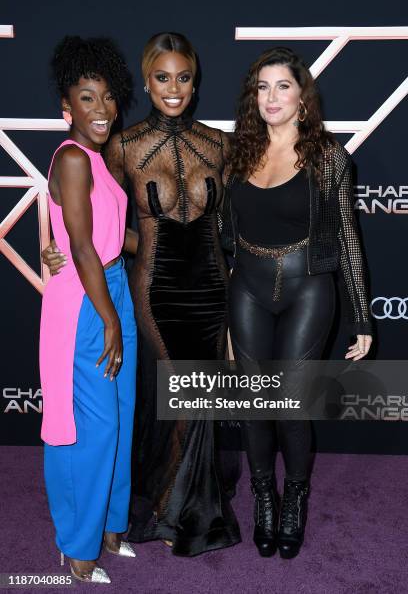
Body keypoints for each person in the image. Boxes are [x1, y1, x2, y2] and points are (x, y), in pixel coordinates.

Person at [43, 32, 241, 557]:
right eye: (161, 77)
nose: (173, 88)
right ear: (148, 82)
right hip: (149, 289)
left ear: (194, 84)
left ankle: (188, 509)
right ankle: (161, 510)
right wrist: (51, 243)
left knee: (189, 401)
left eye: (183, 77)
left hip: (208, 287)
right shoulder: (120, 147)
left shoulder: (221, 144)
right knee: (166, 401)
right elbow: (85, 218)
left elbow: (234, 225)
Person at [221, 47, 373, 559]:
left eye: (282, 85)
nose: (271, 97)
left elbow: (349, 238)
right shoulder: (237, 152)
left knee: (287, 405)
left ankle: (296, 498)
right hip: (247, 285)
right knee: (255, 406)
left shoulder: (328, 156)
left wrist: (362, 316)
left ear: (302, 95)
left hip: (309, 284)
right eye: (262, 87)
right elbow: (221, 234)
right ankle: (265, 496)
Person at [40, 36, 137, 584]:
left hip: (112, 285)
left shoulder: (99, 160)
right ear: (66, 108)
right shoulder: (73, 157)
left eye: (106, 98)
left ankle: (110, 526)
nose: (100, 110)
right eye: (86, 98)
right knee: (90, 426)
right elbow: (79, 248)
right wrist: (109, 318)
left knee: (118, 416)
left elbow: (110, 236)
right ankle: (76, 548)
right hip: (85, 301)